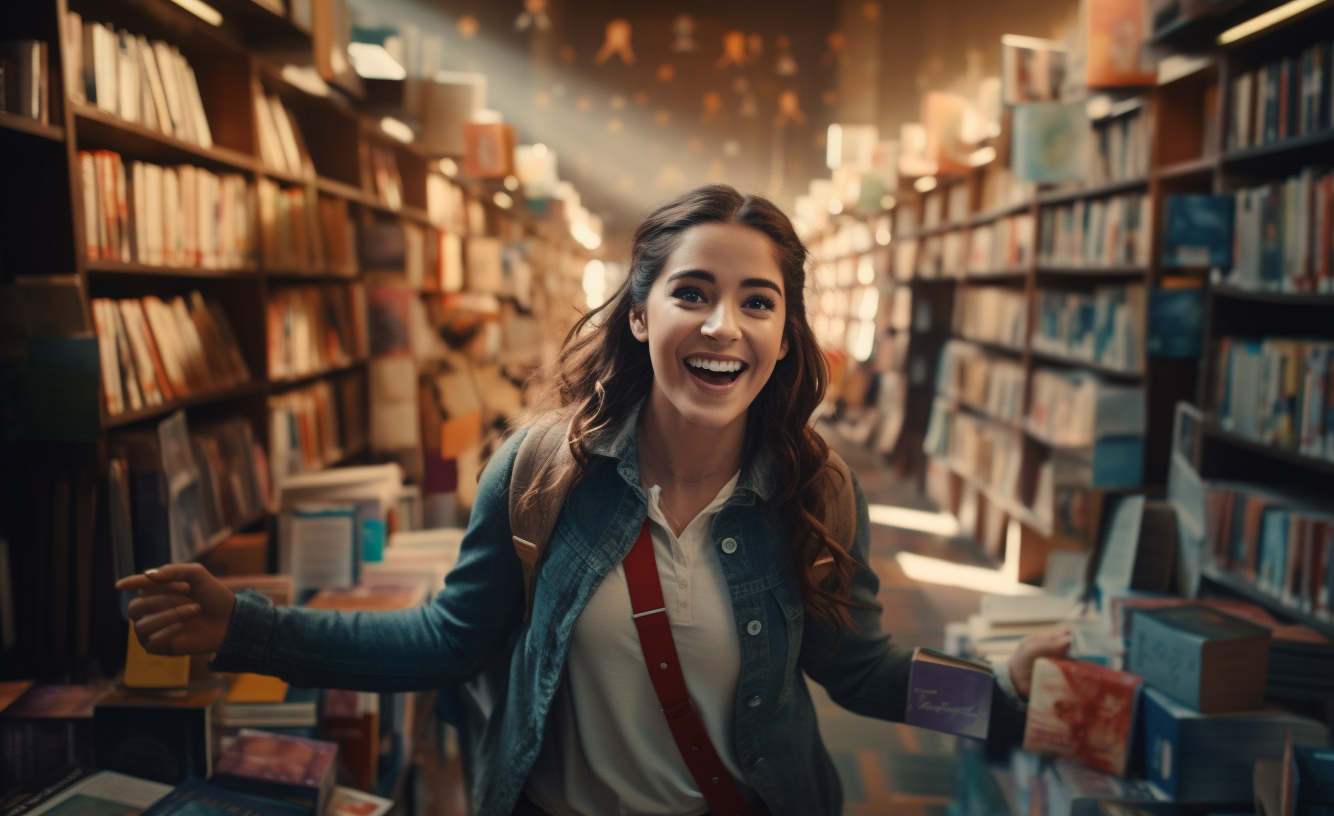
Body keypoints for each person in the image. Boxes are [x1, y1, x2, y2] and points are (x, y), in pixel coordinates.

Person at [119, 185, 1071, 816]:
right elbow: (447, 642)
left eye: (757, 301)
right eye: (692, 292)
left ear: (786, 336)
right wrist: (243, 628)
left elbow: (862, 671)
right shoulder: (540, 471)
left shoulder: (815, 490)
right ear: (640, 312)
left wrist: (1008, 708)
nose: (722, 325)